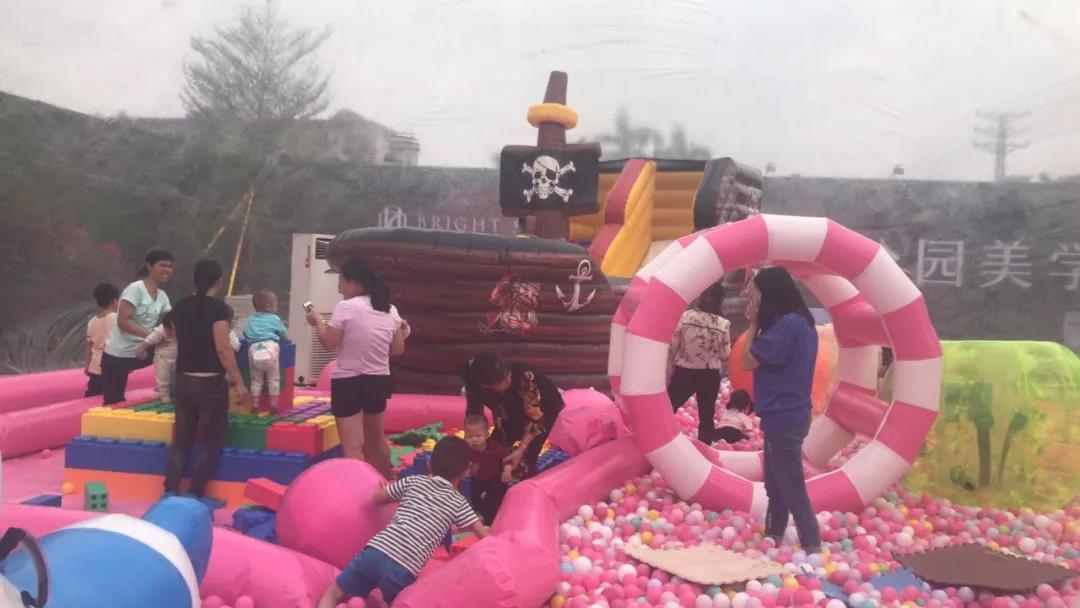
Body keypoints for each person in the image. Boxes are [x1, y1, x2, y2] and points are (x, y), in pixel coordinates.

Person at [317, 436, 489, 608]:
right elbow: (485, 536)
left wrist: (384, 491)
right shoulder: (459, 503)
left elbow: (377, 498)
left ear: (429, 463)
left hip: (375, 551)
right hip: (403, 568)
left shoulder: (413, 481)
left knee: (333, 594)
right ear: (465, 471)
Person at [740, 266, 821, 552]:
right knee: (776, 487)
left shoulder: (787, 326)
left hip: (784, 415)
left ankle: (812, 546)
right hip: (787, 414)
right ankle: (774, 535)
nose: (754, 299)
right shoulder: (801, 323)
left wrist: (752, 324)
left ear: (770, 294)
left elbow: (746, 361)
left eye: (757, 293)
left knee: (792, 489)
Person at [306, 258, 409, 478]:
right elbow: (398, 349)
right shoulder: (389, 309)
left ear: (355, 282)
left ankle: (358, 488)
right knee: (376, 439)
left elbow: (329, 343)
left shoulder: (346, 307)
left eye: (341, 279)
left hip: (348, 381)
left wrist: (318, 322)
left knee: (353, 445)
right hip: (379, 380)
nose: (338, 284)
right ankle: (386, 482)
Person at [164, 260, 250, 504]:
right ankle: (195, 493)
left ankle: (170, 491)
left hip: (183, 380)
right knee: (210, 441)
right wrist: (239, 382)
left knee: (182, 439)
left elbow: (177, 338)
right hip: (210, 383)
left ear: (194, 279)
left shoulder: (180, 307)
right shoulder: (218, 310)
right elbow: (223, 348)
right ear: (219, 282)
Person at [462, 353, 564, 478]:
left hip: (544, 406)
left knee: (525, 457)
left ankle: (526, 480)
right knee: (495, 448)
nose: (508, 380)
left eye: (508, 376)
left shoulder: (524, 376)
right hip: (509, 404)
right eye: (503, 381)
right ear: (487, 386)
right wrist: (473, 444)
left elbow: (536, 417)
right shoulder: (474, 381)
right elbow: (474, 414)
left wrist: (521, 449)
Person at [100, 249, 174, 404]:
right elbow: (123, 322)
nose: (167, 269)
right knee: (113, 401)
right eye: (162, 265)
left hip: (141, 351)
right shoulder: (136, 289)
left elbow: (172, 321)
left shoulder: (162, 296)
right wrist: (152, 337)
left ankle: (168, 387)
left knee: (172, 349)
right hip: (118, 355)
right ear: (149, 266)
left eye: (170, 266)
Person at [668, 281, 732, 442]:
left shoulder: (685, 317)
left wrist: (670, 368)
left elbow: (673, 346)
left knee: (667, 409)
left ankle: (659, 442)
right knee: (707, 418)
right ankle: (706, 450)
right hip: (709, 375)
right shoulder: (723, 324)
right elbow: (725, 355)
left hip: (684, 372)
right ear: (720, 300)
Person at [463, 414, 514, 525]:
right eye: (469, 437)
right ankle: (478, 515)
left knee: (495, 496)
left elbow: (508, 459)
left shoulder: (493, 447)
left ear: (486, 435)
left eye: (478, 436)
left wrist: (507, 471)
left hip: (494, 478)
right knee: (473, 497)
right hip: (476, 480)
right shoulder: (465, 449)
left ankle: (490, 521)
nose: (473, 440)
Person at [243, 290, 289, 409]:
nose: (277, 307)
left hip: (254, 349)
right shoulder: (274, 318)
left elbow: (245, 333)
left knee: (255, 379)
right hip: (270, 348)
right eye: (276, 304)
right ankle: (273, 404)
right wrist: (286, 340)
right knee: (273, 378)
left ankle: (255, 404)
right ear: (268, 307)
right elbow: (284, 335)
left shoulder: (250, 320)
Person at [85, 283, 119, 397]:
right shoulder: (116, 319)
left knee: (93, 396)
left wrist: (87, 365)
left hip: (94, 368)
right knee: (112, 397)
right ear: (114, 301)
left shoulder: (92, 321)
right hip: (111, 367)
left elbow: (89, 346)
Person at [136, 312, 177, 403]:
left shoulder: (182, 330)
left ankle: (174, 392)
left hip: (177, 358)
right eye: (169, 330)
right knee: (163, 377)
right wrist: (141, 349)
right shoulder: (160, 331)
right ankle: (164, 395)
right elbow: (148, 341)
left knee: (176, 377)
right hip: (163, 358)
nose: (171, 332)